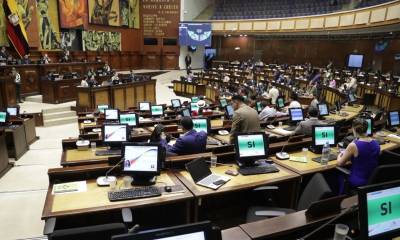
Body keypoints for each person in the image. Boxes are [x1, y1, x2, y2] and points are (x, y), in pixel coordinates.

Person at [337, 118, 380, 192]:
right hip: (371, 178)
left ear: (354, 129)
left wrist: (339, 154)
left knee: (336, 176)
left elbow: (340, 163)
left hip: (357, 180)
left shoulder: (353, 145)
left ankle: (340, 198)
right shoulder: (376, 143)